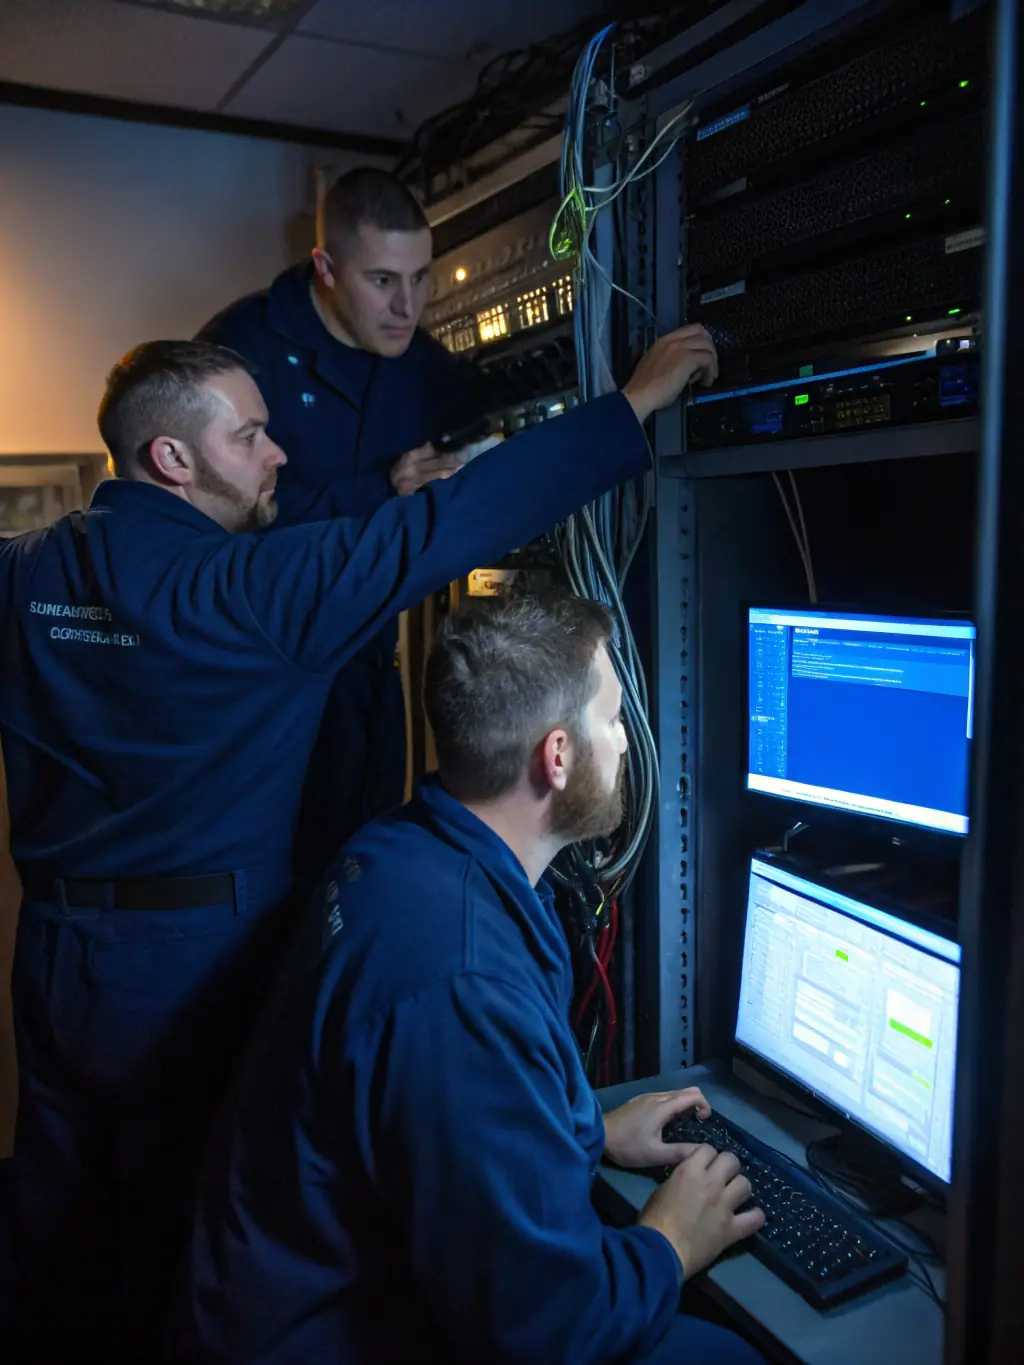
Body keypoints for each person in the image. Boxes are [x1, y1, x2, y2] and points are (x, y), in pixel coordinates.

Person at [0, 326, 718, 1364]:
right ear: (174, 460)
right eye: (251, 436)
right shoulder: (247, 594)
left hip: (52, 954)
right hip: (187, 969)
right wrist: (631, 406)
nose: (279, 453)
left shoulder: (25, 573)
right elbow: (448, 524)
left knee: (55, 1219)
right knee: (180, 1234)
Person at [170, 592, 764, 1365]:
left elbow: (421, 1111)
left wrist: (584, 1130)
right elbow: (549, 1332)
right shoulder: (462, 978)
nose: (625, 743)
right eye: (614, 718)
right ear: (557, 756)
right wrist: (669, 1241)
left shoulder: (402, 848)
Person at [200, 167, 489, 883]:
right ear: (325, 267)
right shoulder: (244, 347)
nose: (408, 305)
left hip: (369, 674)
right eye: (384, 280)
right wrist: (381, 488)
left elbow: (498, 412)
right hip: (264, 686)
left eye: (421, 278)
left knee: (358, 881)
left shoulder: (419, 364)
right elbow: (210, 521)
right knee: (271, 903)